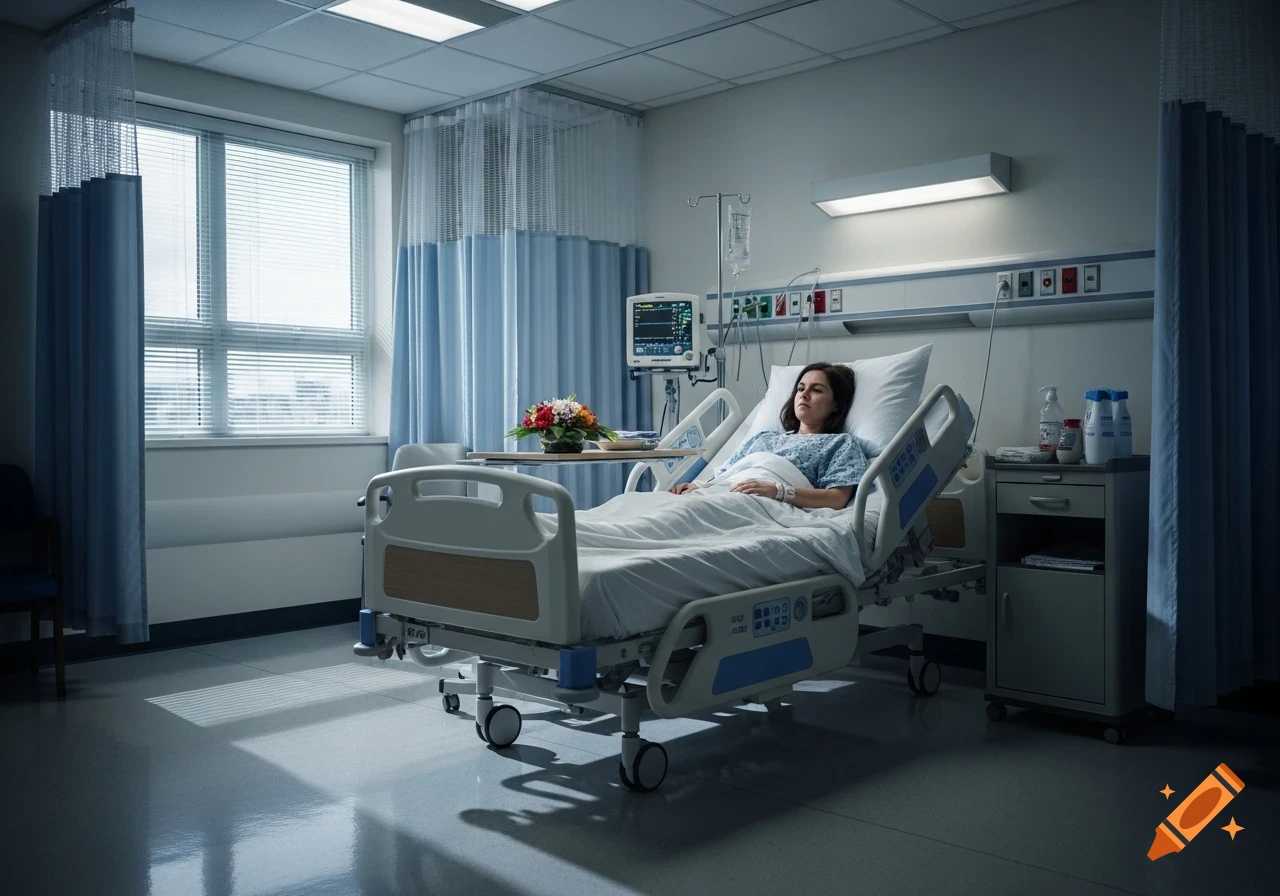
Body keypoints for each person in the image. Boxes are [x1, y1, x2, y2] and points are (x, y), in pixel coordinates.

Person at [669, 362, 868, 510]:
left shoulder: (839, 444)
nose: (804, 394)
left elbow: (837, 499)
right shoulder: (764, 438)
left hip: (758, 504)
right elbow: (727, 474)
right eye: (800, 388)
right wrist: (698, 485)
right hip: (723, 492)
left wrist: (779, 491)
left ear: (836, 405)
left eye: (816, 390)